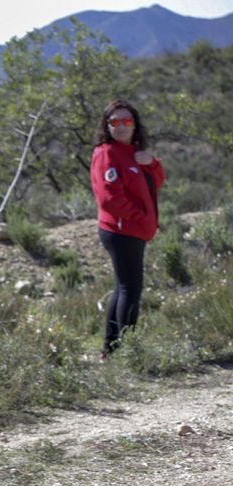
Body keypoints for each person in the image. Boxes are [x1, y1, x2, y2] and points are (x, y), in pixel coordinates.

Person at [90, 99, 164, 357]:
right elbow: (109, 199)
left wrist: (152, 162)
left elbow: (156, 181)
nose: (121, 126)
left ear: (134, 125)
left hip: (132, 230)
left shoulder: (133, 152)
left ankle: (110, 349)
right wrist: (142, 219)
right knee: (130, 289)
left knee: (123, 287)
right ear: (107, 125)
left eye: (126, 121)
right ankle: (126, 352)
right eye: (115, 122)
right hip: (121, 231)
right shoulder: (106, 153)